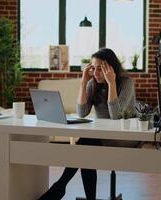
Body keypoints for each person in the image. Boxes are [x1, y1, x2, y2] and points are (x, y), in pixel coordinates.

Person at [38, 48, 137, 200]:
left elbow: (116, 116)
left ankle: (59, 187)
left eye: (100, 69)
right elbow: (82, 112)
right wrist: (83, 82)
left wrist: (111, 83)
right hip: (102, 136)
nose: (96, 73)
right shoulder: (93, 83)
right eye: (93, 68)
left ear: (111, 68)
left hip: (124, 137)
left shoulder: (126, 83)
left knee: (85, 146)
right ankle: (64, 188)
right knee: (85, 148)